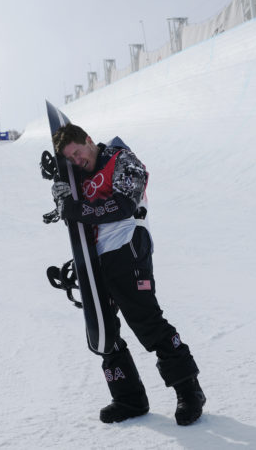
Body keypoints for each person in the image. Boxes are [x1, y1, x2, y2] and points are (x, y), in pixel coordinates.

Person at [50, 123, 206, 426]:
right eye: (71, 159)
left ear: (89, 140)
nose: (78, 160)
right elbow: (75, 216)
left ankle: (190, 391)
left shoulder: (122, 159)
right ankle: (128, 398)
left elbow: (122, 205)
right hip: (95, 259)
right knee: (102, 332)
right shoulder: (80, 177)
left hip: (127, 247)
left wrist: (74, 208)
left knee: (147, 321)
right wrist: (61, 197)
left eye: (78, 153)